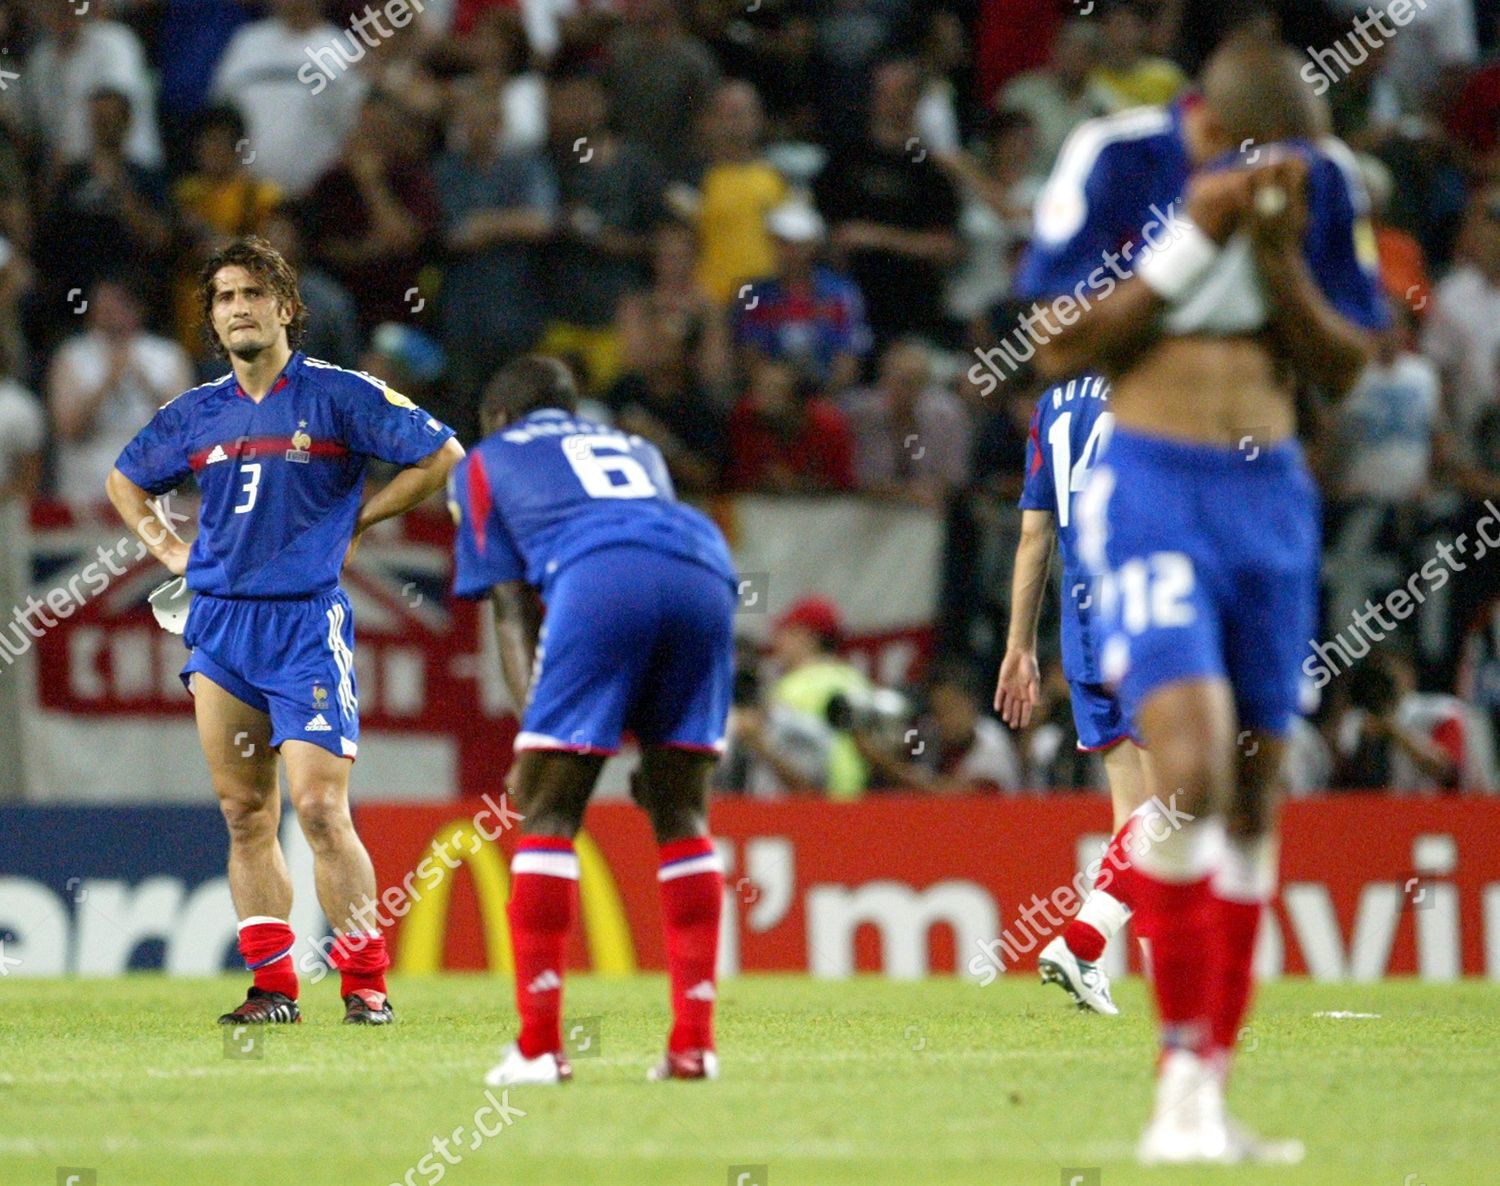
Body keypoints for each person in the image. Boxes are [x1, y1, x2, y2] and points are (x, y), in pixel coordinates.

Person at [1016, 35, 1384, 1162]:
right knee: (1186, 764)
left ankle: (1205, 1089)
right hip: (1154, 486)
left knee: (1259, 793)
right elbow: (1053, 341)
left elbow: (1345, 363)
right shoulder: (1116, 159)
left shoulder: (1324, 188)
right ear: (1205, 131)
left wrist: (1276, 259)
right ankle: (1176, 1085)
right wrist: (1198, 237)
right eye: (1256, 160)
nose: (1282, 176)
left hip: (1272, 494)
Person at [105, 236, 463, 1026]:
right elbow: (124, 481)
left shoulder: (340, 396)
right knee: (244, 814)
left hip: (303, 625)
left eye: (252, 294)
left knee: (322, 809)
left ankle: (366, 984)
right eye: (225, 297)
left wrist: (360, 518)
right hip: (219, 627)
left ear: (287, 308)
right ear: (213, 318)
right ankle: (273, 989)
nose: (238, 308)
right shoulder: (195, 413)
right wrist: (168, 546)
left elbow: (441, 457)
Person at [447, 355, 737, 1085]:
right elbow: (649, 541)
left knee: (547, 809)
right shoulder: (636, 448)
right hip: (704, 564)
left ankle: (540, 1049)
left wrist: (534, 732)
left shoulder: (483, 461)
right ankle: (693, 1047)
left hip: (600, 572)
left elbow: (512, 609)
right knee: (680, 810)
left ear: (500, 420)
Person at [994, 373, 1154, 1016]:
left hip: (1080, 623)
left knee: (1137, 815)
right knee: (1181, 802)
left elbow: (1034, 536)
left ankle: (1142, 978)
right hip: (1143, 608)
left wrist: (1020, 645)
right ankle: (1083, 943)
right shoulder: (1157, 382)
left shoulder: (1054, 405)